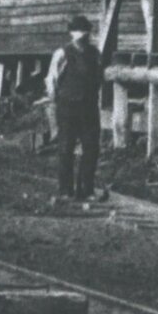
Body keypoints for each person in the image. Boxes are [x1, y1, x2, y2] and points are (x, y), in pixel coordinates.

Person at [46, 14, 105, 202]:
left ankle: (86, 189)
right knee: (66, 148)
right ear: (72, 35)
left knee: (91, 148)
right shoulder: (62, 54)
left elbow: (99, 77)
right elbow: (51, 79)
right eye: (79, 35)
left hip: (88, 107)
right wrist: (54, 101)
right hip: (68, 106)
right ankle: (65, 190)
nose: (82, 38)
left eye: (85, 35)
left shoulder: (95, 54)